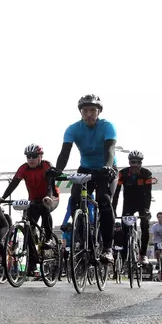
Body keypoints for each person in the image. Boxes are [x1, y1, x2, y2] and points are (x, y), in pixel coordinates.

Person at [50, 94, 118, 263]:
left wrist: (108, 168)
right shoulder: (73, 129)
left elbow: (109, 150)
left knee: (104, 200)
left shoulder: (108, 126)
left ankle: (108, 248)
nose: (89, 114)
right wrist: (57, 170)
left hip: (105, 167)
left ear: (98, 112)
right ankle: (83, 238)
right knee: (74, 199)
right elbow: (65, 153)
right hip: (86, 168)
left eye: (93, 111)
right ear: (80, 112)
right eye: (85, 111)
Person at [1, 144, 60, 249]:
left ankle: (49, 238)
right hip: (33, 199)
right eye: (28, 156)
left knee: (44, 207)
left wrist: (47, 196)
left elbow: (50, 184)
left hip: (51, 196)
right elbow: (13, 183)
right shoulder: (23, 168)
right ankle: (32, 256)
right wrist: (3, 198)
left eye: (34, 156)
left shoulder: (46, 165)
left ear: (40, 156)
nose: (31, 159)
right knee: (29, 224)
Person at [112, 149, 152, 264]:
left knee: (145, 225)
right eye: (133, 162)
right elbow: (116, 193)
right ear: (129, 163)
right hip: (128, 204)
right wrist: (113, 209)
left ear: (141, 163)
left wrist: (147, 209)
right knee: (124, 230)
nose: (135, 165)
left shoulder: (146, 174)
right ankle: (124, 258)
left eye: (138, 162)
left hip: (142, 203)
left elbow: (148, 193)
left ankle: (143, 255)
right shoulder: (122, 173)